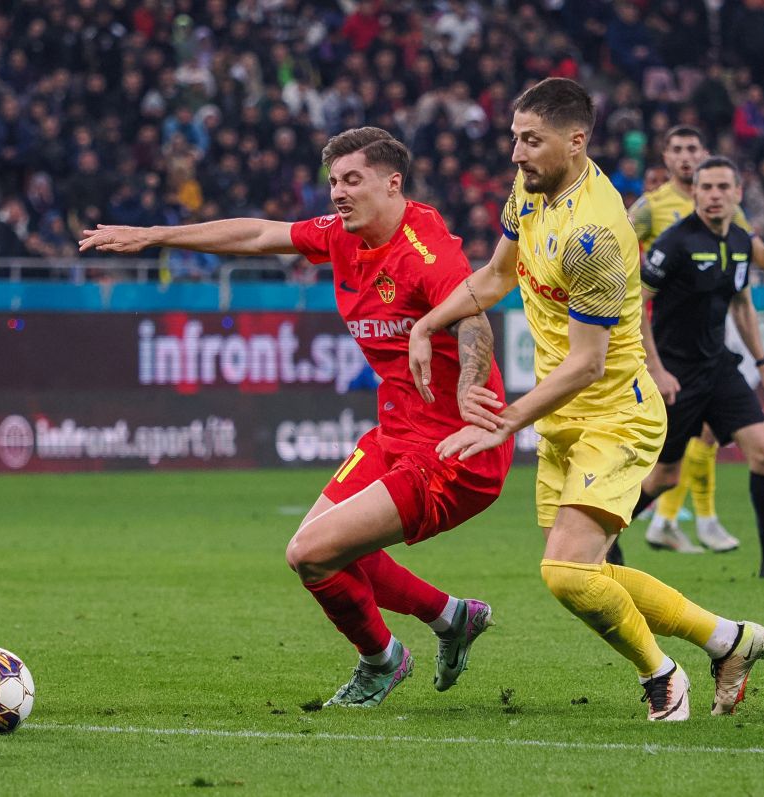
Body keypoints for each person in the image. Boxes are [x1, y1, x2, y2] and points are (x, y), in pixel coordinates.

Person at [80, 127, 513, 708]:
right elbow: (259, 233)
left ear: (393, 183)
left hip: (455, 450)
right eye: (333, 181)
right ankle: (451, 617)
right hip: (396, 432)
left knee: (310, 553)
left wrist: (467, 387)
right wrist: (157, 236)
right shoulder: (341, 235)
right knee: (320, 545)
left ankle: (382, 662)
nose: (338, 192)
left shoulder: (424, 250)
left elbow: (473, 316)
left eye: (352, 180)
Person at [408, 78, 764, 720]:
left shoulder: (595, 234)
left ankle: (663, 676)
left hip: (615, 414)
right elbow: (494, 276)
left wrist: (506, 421)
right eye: (515, 138)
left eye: (531, 140)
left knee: (566, 572)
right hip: (563, 418)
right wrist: (427, 324)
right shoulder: (530, 187)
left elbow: (588, 362)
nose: (516, 153)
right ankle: (728, 640)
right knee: (582, 574)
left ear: (576, 142)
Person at [624, 126, 764, 559]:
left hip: (718, 364)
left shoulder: (739, 238)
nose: (714, 194)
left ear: (738, 193)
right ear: (695, 192)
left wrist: (763, 362)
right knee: (664, 476)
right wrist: (655, 368)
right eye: (707, 187)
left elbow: (742, 301)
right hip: (676, 369)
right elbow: (633, 301)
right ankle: (601, 538)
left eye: (723, 187)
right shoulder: (669, 236)